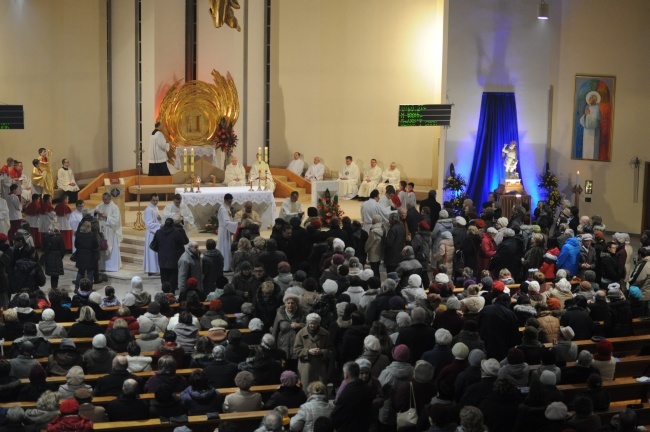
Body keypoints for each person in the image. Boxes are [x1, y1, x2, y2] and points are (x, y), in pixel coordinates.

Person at [153, 217, 189, 292]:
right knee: (173, 278)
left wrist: (161, 251)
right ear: (172, 224)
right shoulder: (176, 232)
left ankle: (165, 292)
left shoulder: (158, 232)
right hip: (173, 259)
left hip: (162, 259)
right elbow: (184, 242)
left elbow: (154, 245)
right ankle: (172, 293)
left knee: (164, 277)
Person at [94, 192, 122, 272]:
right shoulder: (100, 205)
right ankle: (102, 266)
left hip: (110, 230)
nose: (104, 200)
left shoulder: (114, 207)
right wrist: (95, 213)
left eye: (105, 199)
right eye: (103, 199)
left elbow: (116, 221)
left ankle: (112, 267)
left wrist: (107, 217)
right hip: (102, 230)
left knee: (110, 247)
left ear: (110, 199)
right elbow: (93, 213)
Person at [217, 193, 239, 272]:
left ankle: (228, 265)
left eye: (231, 201)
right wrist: (237, 223)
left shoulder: (226, 207)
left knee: (227, 247)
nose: (230, 203)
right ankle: (225, 267)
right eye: (229, 201)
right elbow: (226, 223)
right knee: (225, 248)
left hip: (226, 230)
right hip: (224, 231)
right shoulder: (223, 209)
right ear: (225, 200)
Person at [579, 91, 602, 159]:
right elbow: (584, 119)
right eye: (590, 97)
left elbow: (594, 122)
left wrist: (588, 115)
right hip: (586, 131)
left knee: (593, 151)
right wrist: (585, 115)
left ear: (595, 100)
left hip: (593, 132)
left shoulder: (597, 108)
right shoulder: (587, 107)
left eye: (592, 97)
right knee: (586, 149)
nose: (590, 99)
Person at [144, 193, 162, 275]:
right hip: (151, 233)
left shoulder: (155, 208)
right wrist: (160, 225)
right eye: (154, 200)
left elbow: (156, 220)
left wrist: (160, 219)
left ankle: (155, 269)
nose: (155, 202)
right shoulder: (148, 209)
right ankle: (151, 270)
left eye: (157, 200)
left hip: (156, 232)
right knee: (152, 252)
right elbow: (148, 224)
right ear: (150, 200)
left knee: (155, 252)